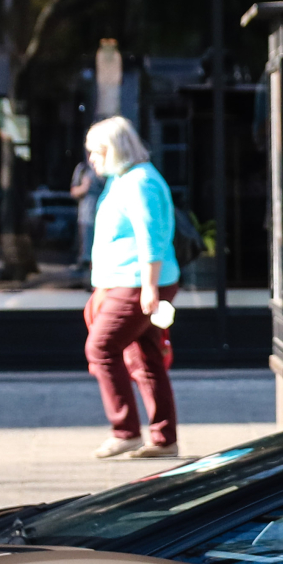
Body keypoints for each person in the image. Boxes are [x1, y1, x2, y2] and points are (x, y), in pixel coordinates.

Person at [81, 116, 181, 461]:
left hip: (138, 283)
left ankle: (125, 432)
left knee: (101, 348)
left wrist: (150, 288)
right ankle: (163, 438)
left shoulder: (139, 182)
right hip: (131, 282)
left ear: (114, 149)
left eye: (97, 152)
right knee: (147, 358)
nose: (92, 160)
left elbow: (149, 237)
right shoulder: (124, 179)